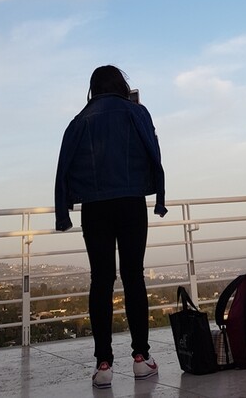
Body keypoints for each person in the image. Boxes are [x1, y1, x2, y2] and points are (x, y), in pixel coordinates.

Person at [54, 65, 167, 390]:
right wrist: (158, 195)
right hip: (131, 201)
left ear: (93, 88)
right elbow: (154, 151)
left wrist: (65, 210)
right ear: (121, 84)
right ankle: (141, 359)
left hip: (94, 206)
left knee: (100, 281)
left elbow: (64, 166)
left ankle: (103, 364)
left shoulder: (81, 119)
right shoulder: (136, 111)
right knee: (134, 276)